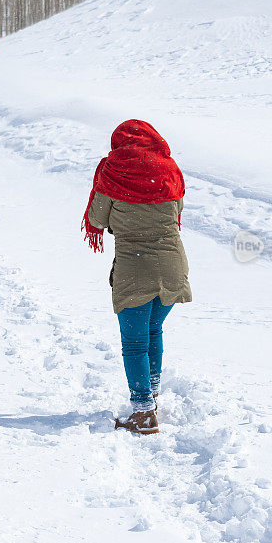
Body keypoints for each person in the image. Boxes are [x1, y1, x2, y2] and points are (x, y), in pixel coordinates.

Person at [82, 120, 191, 435]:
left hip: (135, 269)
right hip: (173, 264)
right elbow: (177, 206)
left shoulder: (112, 173)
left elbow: (96, 218)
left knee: (133, 343)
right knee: (153, 330)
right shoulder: (169, 170)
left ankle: (143, 413)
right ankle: (152, 394)